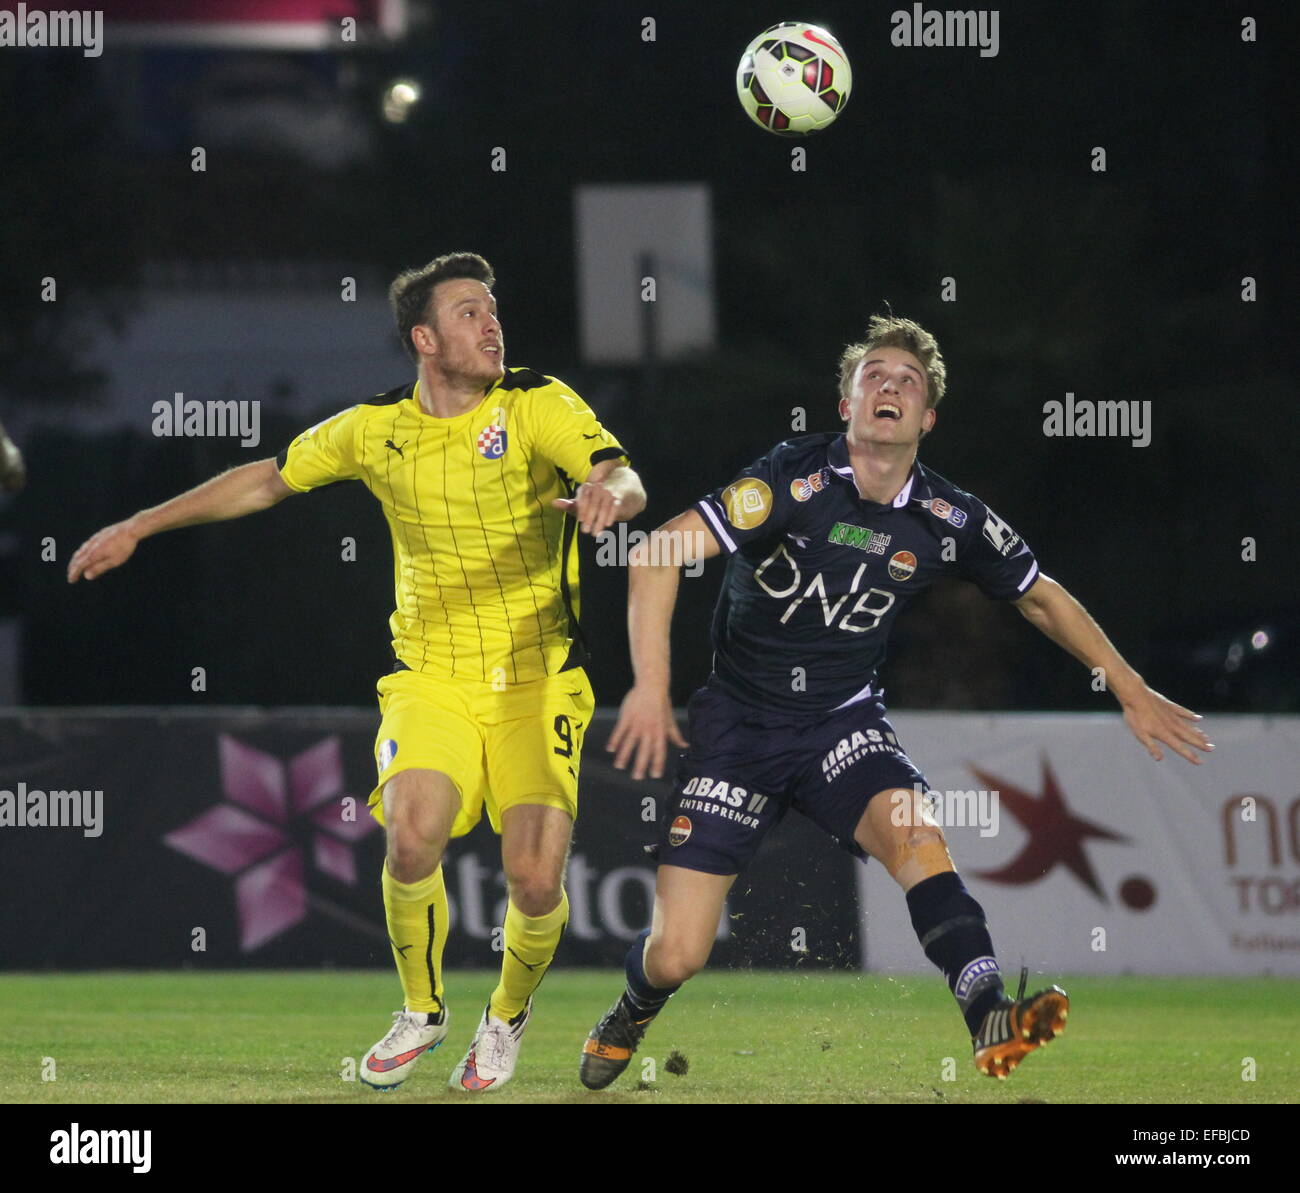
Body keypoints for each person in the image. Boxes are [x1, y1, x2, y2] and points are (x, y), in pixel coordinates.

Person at [579, 314, 1211, 1089]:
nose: (890, 386)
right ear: (845, 404)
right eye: (873, 375)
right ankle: (633, 1009)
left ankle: (986, 1010)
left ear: (927, 418)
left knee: (915, 833)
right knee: (678, 952)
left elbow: (1039, 596)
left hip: (841, 720)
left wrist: (1127, 683)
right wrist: (649, 687)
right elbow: (657, 552)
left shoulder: (949, 518)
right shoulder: (789, 477)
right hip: (737, 730)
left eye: (907, 382)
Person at [67, 252, 645, 1093]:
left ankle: (507, 1015)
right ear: (424, 338)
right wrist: (140, 525)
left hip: (538, 676)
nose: (492, 324)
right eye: (469, 313)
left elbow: (614, 470)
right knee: (412, 835)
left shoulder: (536, 402)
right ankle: (423, 1009)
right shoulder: (374, 429)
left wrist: (610, 496)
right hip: (431, 676)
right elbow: (267, 479)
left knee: (532, 874)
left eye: (493, 309)